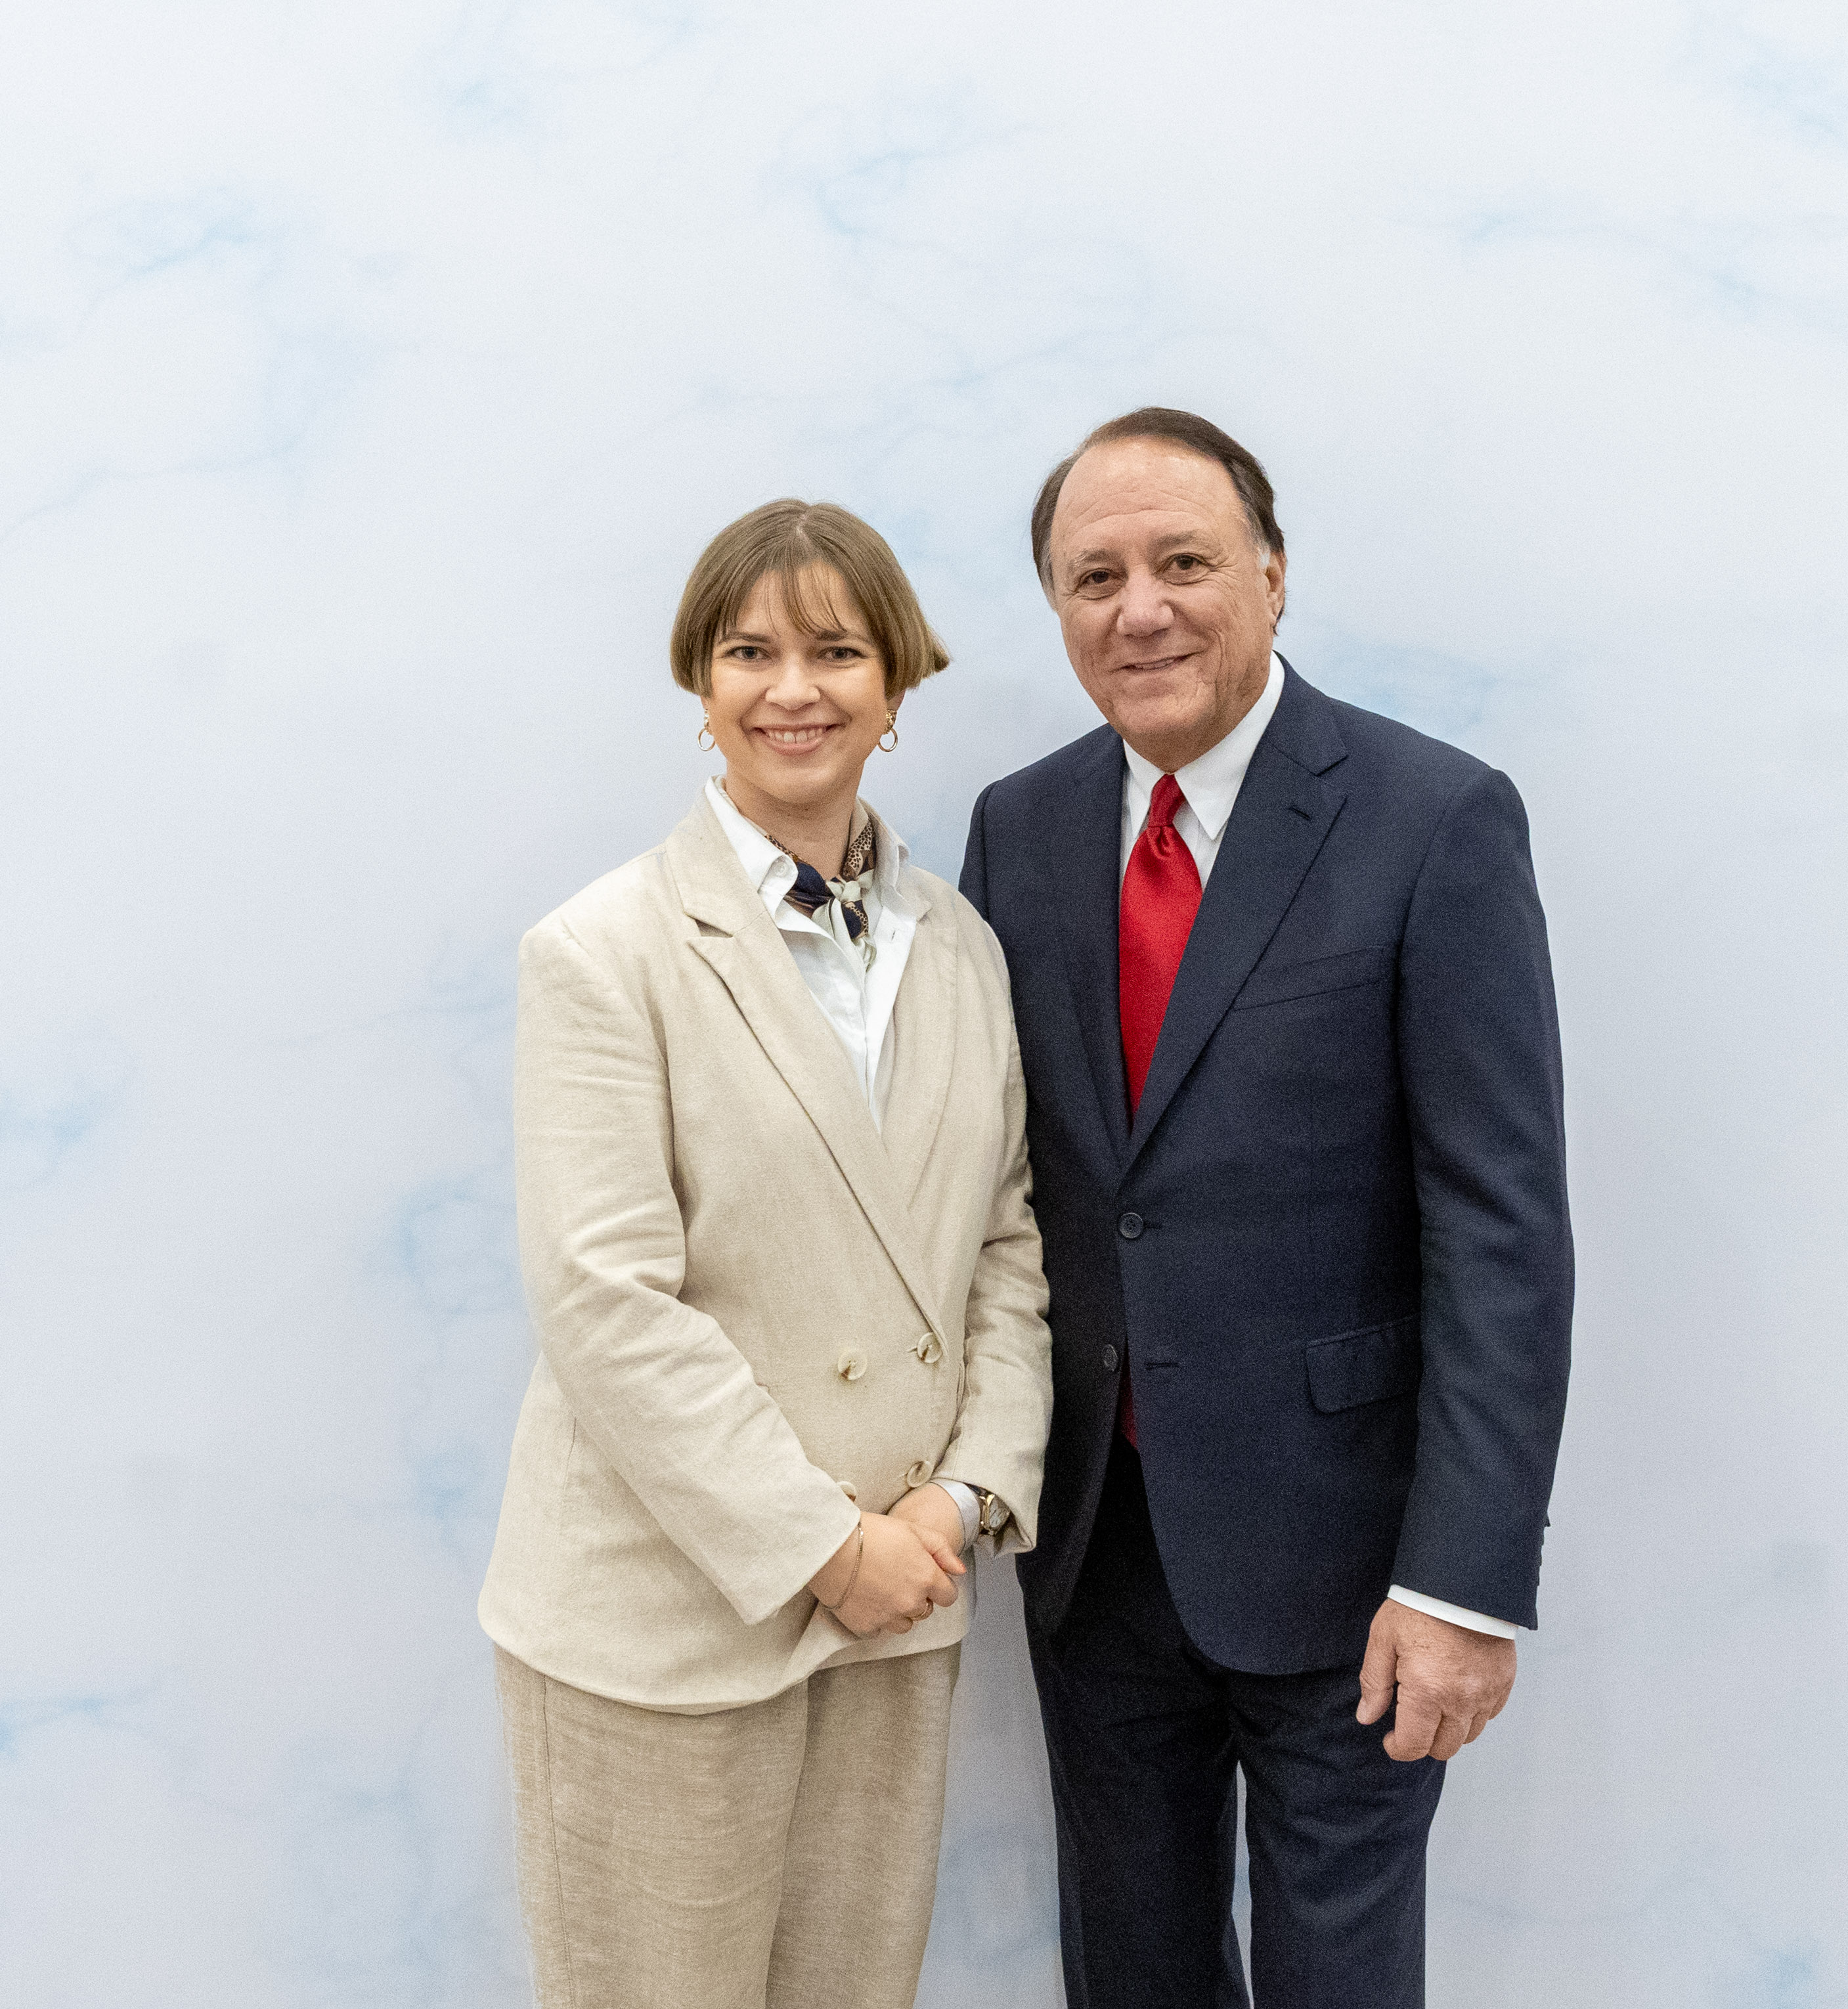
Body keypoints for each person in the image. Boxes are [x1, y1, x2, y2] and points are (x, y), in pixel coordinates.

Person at [959, 410, 1573, 2006]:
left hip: (1352, 1571)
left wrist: (1461, 1584)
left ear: (1275, 575)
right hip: (1099, 1560)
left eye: (1185, 562)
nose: (1141, 610)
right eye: (1095, 577)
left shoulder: (1434, 820)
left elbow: (1502, 1230)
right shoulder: (1018, 831)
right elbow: (1007, 1183)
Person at [480, 499, 1056, 2009]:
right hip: (667, 1620)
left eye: (836, 651)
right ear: (701, 682)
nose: (792, 689)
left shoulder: (963, 946)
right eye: (749, 652)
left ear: (896, 684)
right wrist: (826, 1549)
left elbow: (1007, 1246)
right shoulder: (602, 950)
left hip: (902, 1603)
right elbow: (607, 1303)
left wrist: (957, 1503)